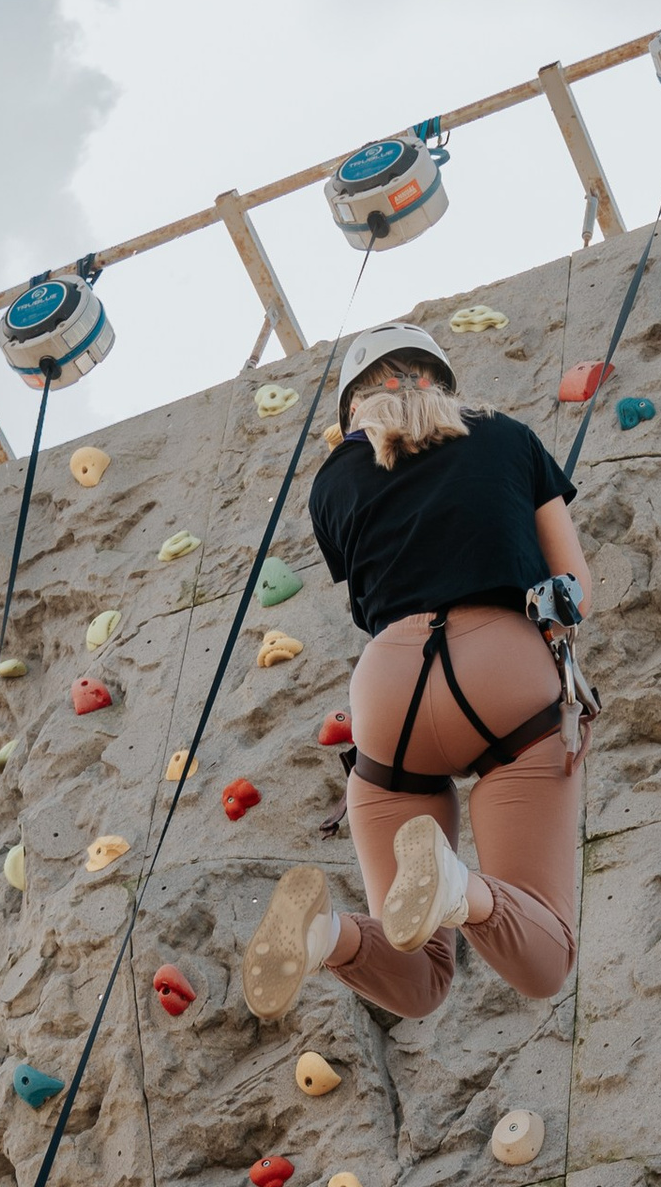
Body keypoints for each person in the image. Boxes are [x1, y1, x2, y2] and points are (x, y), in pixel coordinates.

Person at [241, 323, 595, 1025]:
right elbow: (575, 591)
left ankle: (326, 935)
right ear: (440, 379)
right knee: (545, 959)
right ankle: (460, 889)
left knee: (419, 982)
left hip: (389, 692)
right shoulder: (509, 437)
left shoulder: (331, 481)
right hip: (504, 672)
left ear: (352, 409)